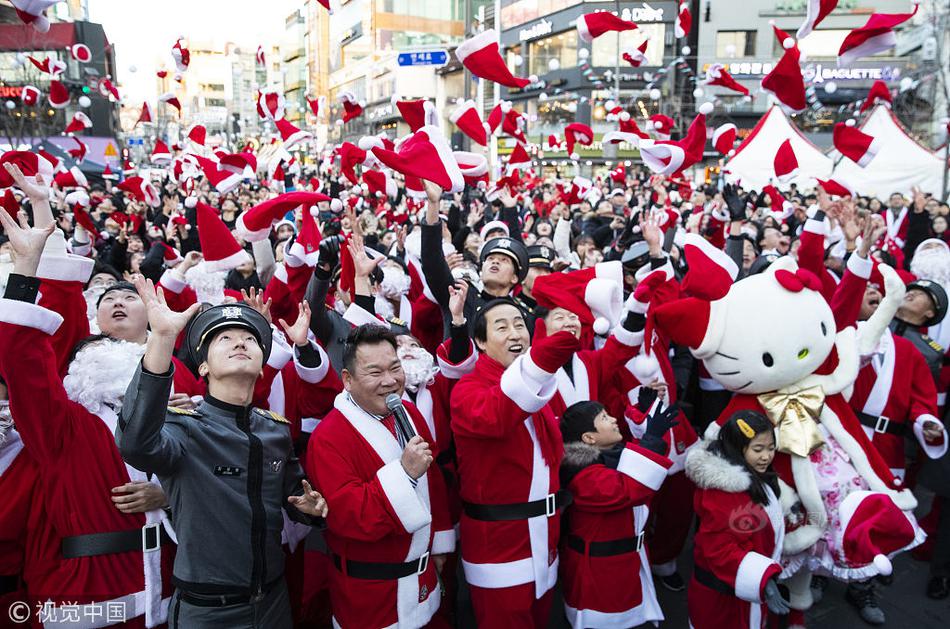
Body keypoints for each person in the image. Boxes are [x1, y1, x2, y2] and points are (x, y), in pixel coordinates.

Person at [116, 282, 328, 628]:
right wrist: (162, 341)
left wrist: (310, 509)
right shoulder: (185, 428)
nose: (240, 342)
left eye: (249, 339)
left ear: (262, 367)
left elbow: (294, 495)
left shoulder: (274, 430)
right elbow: (136, 444)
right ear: (203, 368)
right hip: (209, 610)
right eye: (224, 339)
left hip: (274, 600)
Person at [305, 325, 452, 628]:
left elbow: (433, 483)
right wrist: (405, 473)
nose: (390, 381)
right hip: (369, 592)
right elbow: (349, 515)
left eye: (395, 368)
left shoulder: (409, 414)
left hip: (422, 578)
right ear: (347, 380)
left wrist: (438, 545)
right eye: (375, 373)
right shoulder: (328, 437)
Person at [450, 299, 579, 628]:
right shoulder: (468, 389)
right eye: (502, 327)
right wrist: (537, 365)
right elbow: (496, 415)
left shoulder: (536, 388)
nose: (514, 333)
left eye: (519, 324)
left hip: (544, 536)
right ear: (480, 341)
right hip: (500, 545)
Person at [558, 400, 675, 627]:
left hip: (623, 563)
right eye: (603, 418)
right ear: (589, 438)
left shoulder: (612, 454)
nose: (613, 419)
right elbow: (627, 488)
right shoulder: (583, 475)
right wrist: (651, 440)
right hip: (600, 572)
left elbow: (639, 464)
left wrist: (643, 419)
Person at [685, 412, 789, 629]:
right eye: (758, 449)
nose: (766, 457)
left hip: (739, 592)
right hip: (724, 601)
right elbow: (720, 550)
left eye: (771, 448)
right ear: (737, 447)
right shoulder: (724, 495)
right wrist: (764, 580)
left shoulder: (750, 477)